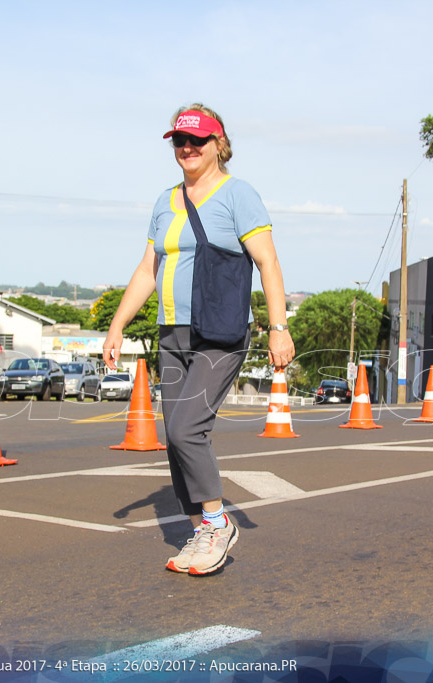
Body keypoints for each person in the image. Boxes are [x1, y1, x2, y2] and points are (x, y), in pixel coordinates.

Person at [103, 104, 294, 576]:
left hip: (219, 332)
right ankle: (201, 530)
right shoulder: (164, 201)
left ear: (218, 144)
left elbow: (268, 263)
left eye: (197, 141)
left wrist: (278, 326)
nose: (187, 148)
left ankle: (216, 522)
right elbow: (148, 268)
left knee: (187, 428)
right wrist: (117, 324)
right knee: (174, 437)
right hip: (172, 334)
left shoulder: (237, 195)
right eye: (179, 141)